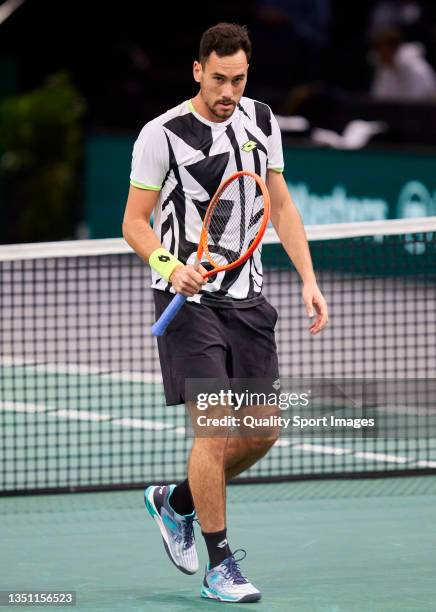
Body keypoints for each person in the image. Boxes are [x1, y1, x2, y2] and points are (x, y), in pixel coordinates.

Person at [122, 22, 328, 604]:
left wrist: (309, 281)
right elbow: (133, 223)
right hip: (188, 301)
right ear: (197, 71)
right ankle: (220, 566)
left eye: (238, 79)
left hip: (251, 298)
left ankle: (176, 502)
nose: (227, 92)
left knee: (262, 432)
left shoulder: (263, 120)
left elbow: (279, 204)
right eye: (218, 79)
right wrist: (169, 265)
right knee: (213, 431)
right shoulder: (160, 134)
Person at [370, 29, 436, 101]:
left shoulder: (416, 68)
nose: (378, 54)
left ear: (391, 48)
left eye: (380, 50)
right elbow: (378, 98)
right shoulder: (384, 69)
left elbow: (417, 102)